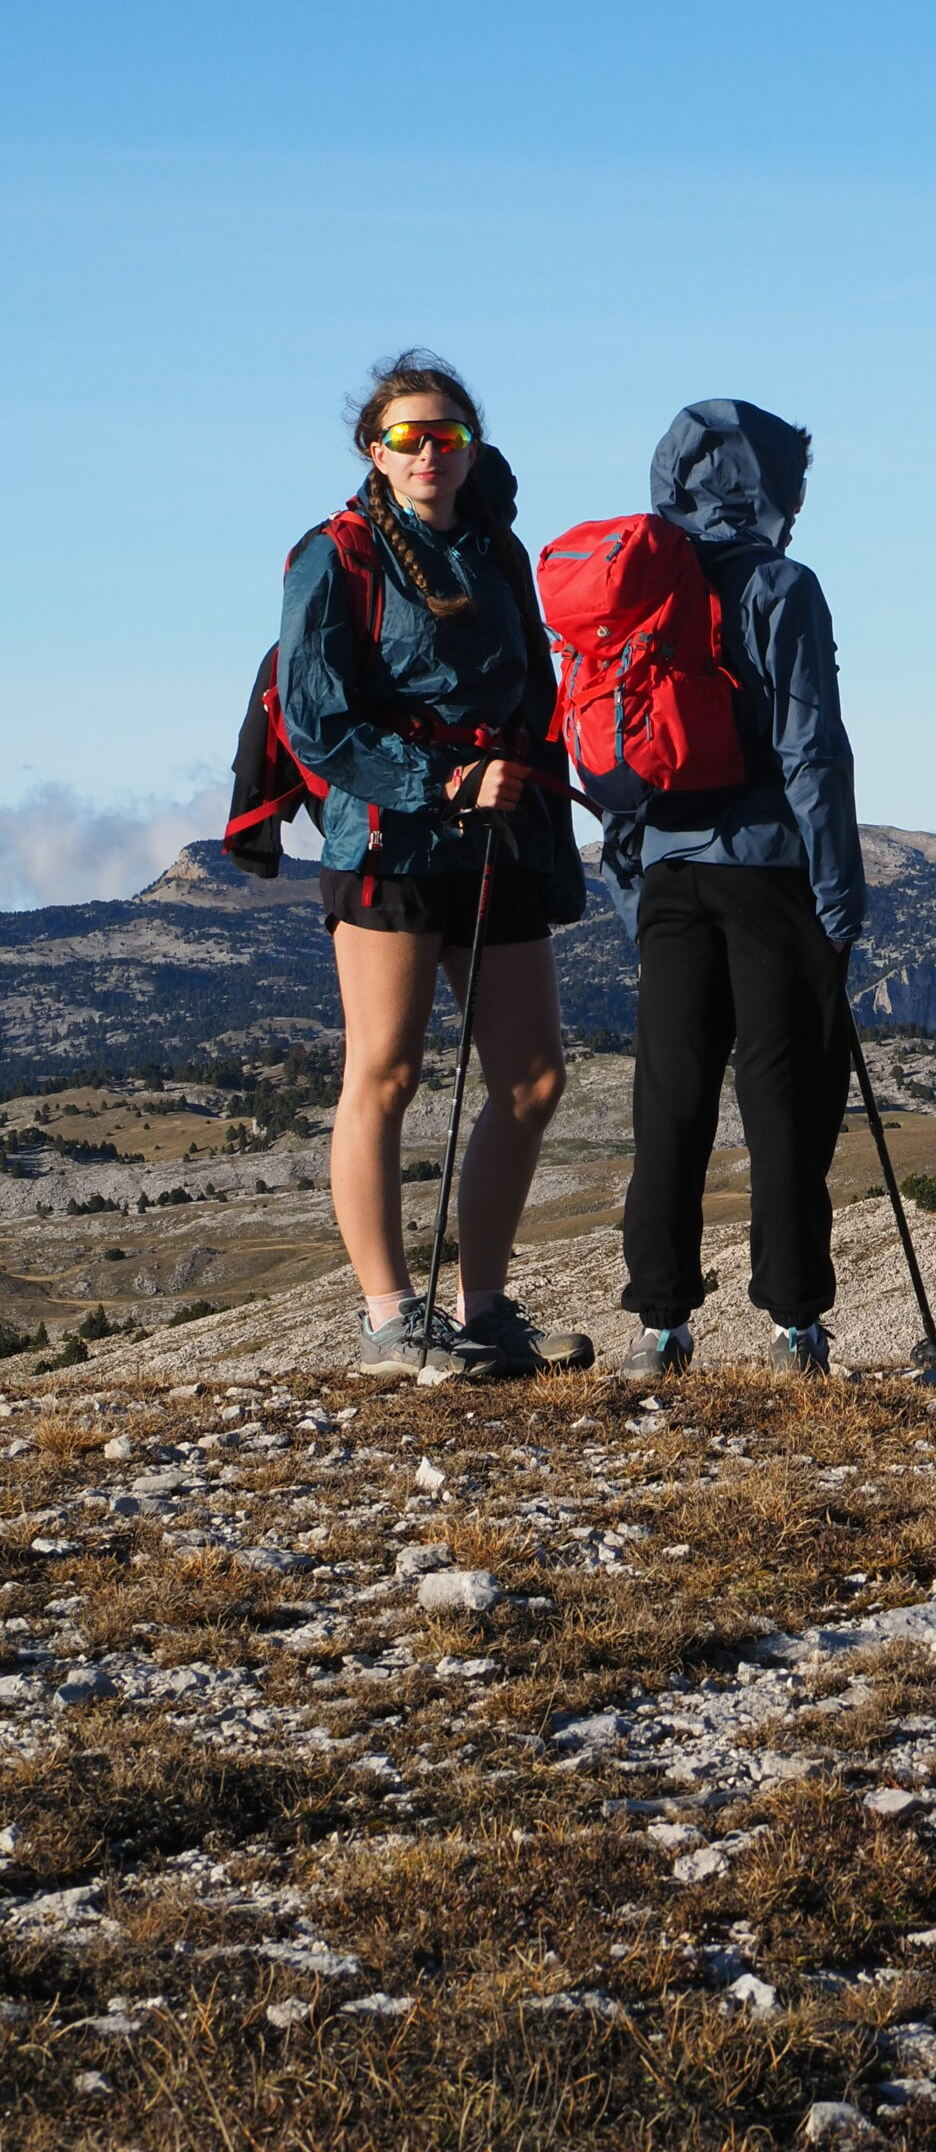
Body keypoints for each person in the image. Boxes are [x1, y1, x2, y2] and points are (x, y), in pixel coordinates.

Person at [279, 350, 593, 1380]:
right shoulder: (334, 557)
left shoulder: (498, 550)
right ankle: (388, 1319)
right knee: (388, 1071)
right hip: (388, 840)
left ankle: (484, 1311)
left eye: (446, 435)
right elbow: (319, 722)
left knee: (533, 1077)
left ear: (470, 446)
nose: (429, 453)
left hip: (496, 835)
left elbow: (532, 687)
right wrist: (445, 781)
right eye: (407, 438)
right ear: (375, 450)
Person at [598, 401, 864, 1380]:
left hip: (668, 875)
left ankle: (660, 1326)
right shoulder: (783, 587)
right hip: (768, 874)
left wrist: (636, 891)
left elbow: (614, 757)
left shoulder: (643, 589)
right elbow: (810, 749)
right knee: (783, 1100)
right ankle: (795, 1327)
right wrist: (837, 897)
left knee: (671, 1098)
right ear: (772, 491)